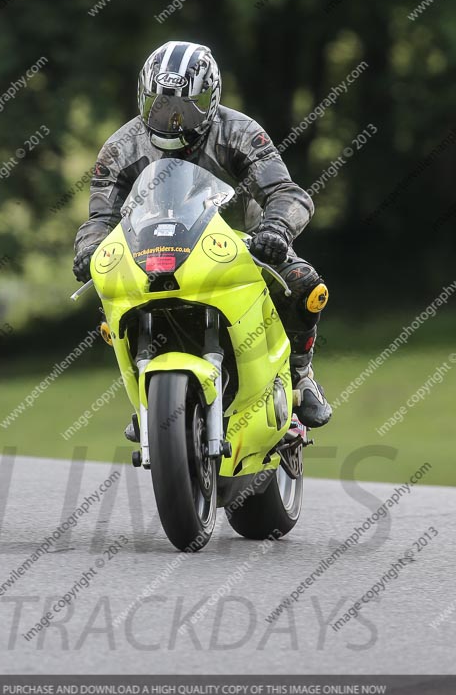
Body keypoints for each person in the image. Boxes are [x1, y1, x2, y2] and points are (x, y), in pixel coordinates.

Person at [73, 41, 331, 427]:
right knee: (110, 299)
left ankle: (301, 375)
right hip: (150, 249)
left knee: (304, 284)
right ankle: (147, 397)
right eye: (159, 105)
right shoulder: (119, 148)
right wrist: (90, 248)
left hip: (240, 245)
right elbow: (100, 217)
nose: (171, 118)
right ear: (142, 98)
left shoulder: (242, 132)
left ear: (210, 100)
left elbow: (287, 193)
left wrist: (276, 228)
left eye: (185, 107)